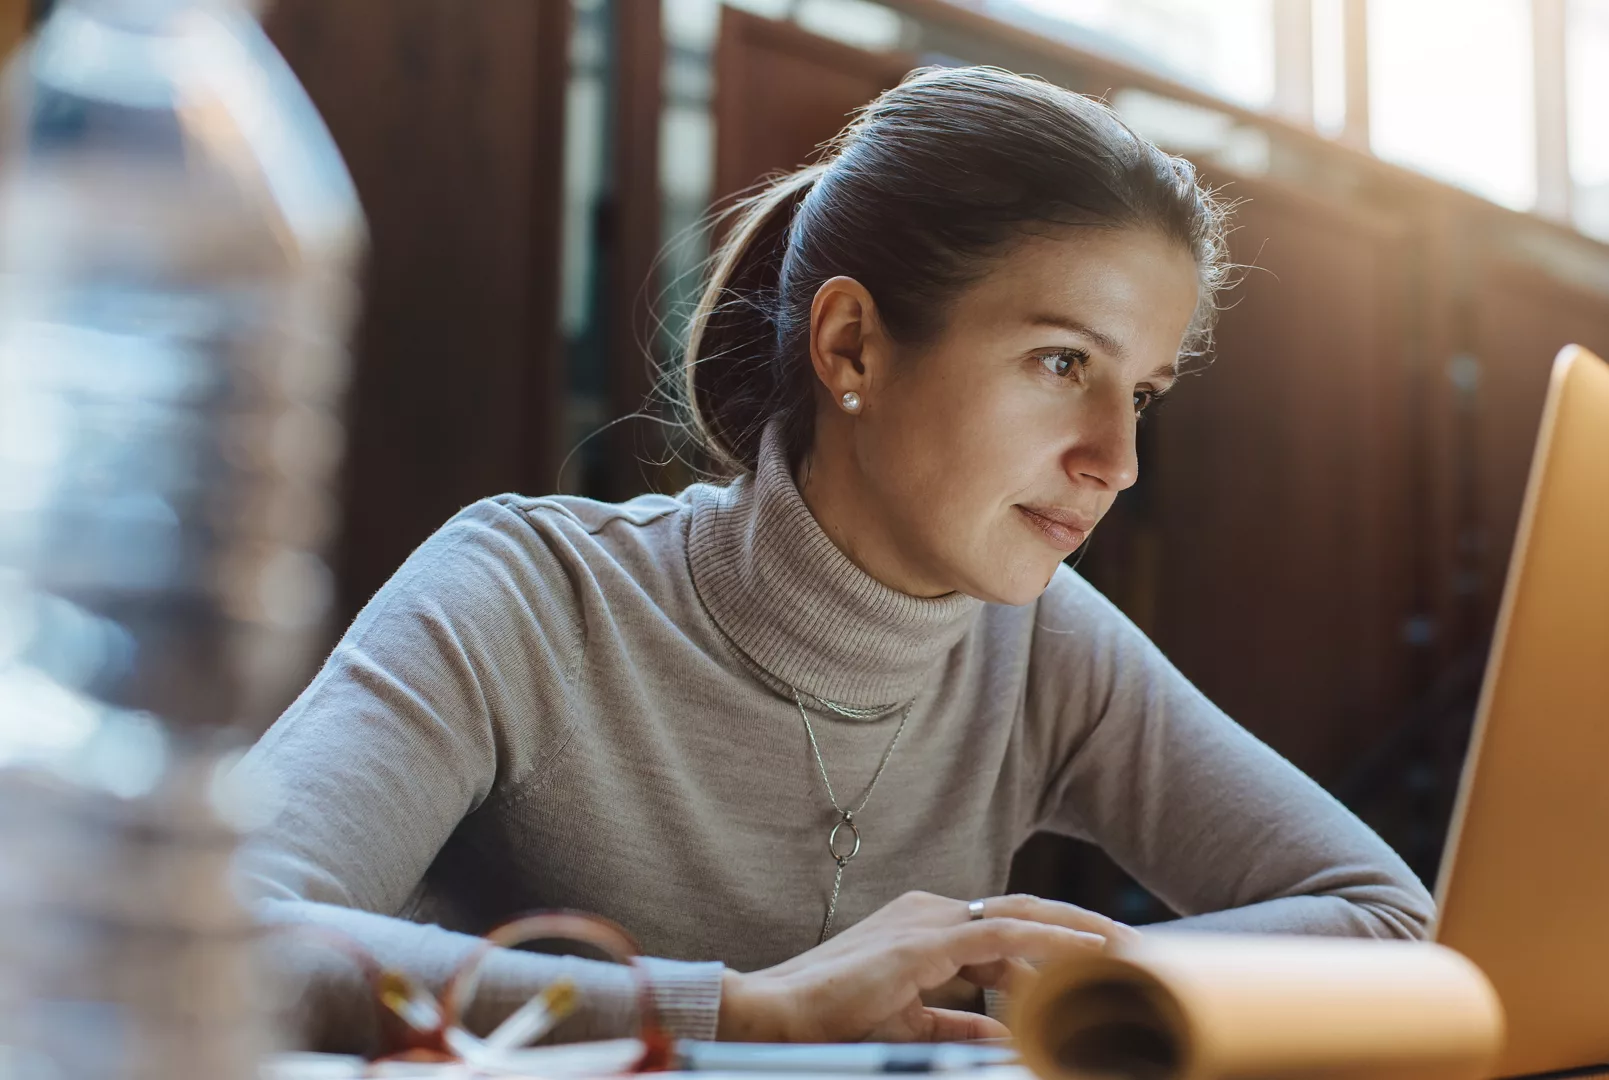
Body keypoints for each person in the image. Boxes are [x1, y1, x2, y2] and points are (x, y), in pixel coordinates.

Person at [239, 64, 1432, 1053]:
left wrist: (1083, 970)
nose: (1117, 460)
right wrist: (744, 1012)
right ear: (853, 345)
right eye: (1064, 363)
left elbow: (1387, 921)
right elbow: (226, 937)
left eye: (1144, 393)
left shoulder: (1042, 644)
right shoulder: (527, 596)